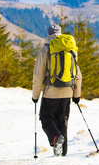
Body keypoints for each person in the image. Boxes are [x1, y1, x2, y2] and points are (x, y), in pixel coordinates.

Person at [32, 24, 82, 156]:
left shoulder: (45, 49)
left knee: (46, 118)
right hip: (68, 91)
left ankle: (55, 137)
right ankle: (62, 153)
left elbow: (38, 75)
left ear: (48, 34)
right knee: (62, 120)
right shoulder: (71, 49)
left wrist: (35, 96)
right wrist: (76, 95)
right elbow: (78, 75)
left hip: (51, 91)